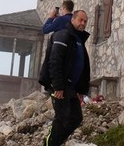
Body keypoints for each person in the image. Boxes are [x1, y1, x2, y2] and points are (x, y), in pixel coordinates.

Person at [39, 9, 91, 146]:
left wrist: (81, 90)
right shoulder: (63, 35)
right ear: (72, 20)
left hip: (70, 87)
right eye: (80, 20)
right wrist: (58, 86)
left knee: (76, 118)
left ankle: (54, 142)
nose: (83, 23)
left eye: (85, 21)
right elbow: (55, 61)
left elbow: (81, 66)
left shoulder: (78, 40)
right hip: (59, 85)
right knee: (62, 118)